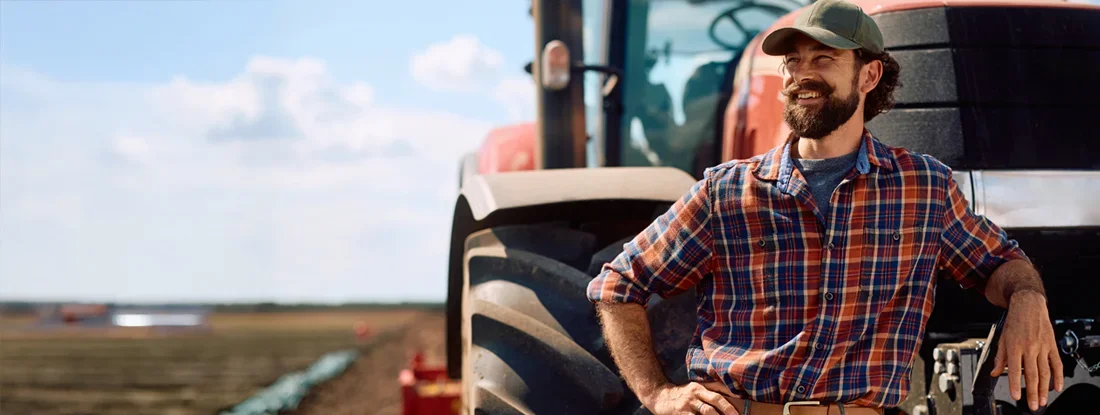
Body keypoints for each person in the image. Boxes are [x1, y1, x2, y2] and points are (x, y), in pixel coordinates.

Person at [586, 0, 1062, 414]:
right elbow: (618, 283)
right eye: (793, 61)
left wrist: (1028, 300)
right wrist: (657, 394)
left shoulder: (924, 189)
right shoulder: (724, 190)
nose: (800, 75)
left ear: (869, 74)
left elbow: (1002, 264)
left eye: (824, 58)